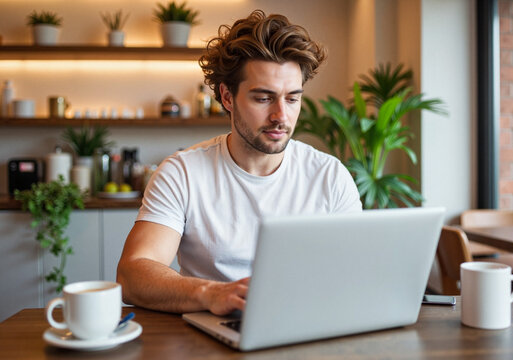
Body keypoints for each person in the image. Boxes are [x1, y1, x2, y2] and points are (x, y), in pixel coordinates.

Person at [116, 10, 361, 316]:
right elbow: (133, 273)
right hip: (209, 334)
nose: (281, 116)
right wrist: (212, 293)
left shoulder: (330, 176)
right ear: (227, 97)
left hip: (305, 329)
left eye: (292, 98)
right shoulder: (182, 173)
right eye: (263, 98)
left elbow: (354, 275)